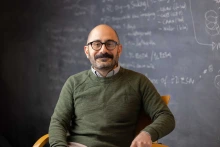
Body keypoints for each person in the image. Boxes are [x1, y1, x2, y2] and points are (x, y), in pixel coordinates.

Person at [49, 24, 175, 147]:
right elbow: (58, 122)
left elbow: (166, 117)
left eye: (109, 44)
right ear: (87, 51)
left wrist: (147, 134)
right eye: (96, 44)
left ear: (119, 50)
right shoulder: (73, 82)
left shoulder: (139, 81)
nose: (103, 50)